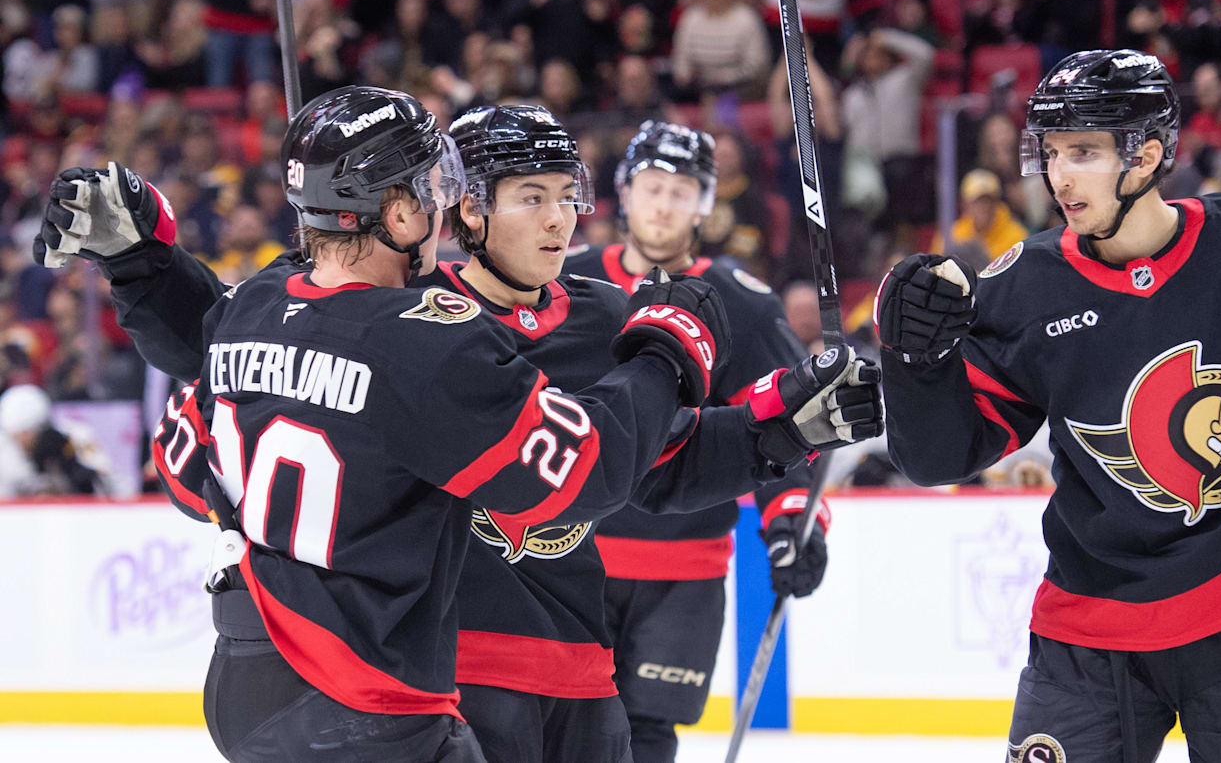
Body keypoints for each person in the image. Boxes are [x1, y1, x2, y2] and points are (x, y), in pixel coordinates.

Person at [37, 100, 883, 763]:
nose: (559, 222)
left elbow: (652, 464)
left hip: (576, 668)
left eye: (566, 198)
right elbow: (586, 459)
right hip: (449, 676)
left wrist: (779, 429)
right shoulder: (421, 326)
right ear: (462, 210)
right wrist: (670, 353)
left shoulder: (591, 308)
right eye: (529, 199)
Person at [876, 50, 1221, 762]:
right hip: (1089, 630)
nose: (1060, 174)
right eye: (1051, 151)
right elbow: (940, 458)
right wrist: (915, 361)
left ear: (1148, 156)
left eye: (1084, 151)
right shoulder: (1023, 286)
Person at [564, 120, 828, 763]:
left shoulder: (743, 303)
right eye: (653, 186)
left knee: (650, 734)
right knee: (565, 729)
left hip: (684, 568)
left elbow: (789, 423)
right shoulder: (568, 285)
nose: (664, 204)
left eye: (682, 191)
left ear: (706, 204)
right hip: (569, 557)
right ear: (624, 193)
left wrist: (795, 519)